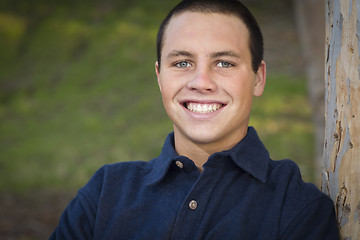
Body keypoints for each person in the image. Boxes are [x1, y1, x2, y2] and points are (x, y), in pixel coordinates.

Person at [50, 0, 340, 239]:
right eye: (182, 63)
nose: (201, 82)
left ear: (258, 78)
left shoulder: (298, 208)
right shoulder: (105, 194)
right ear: (159, 77)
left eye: (224, 63)